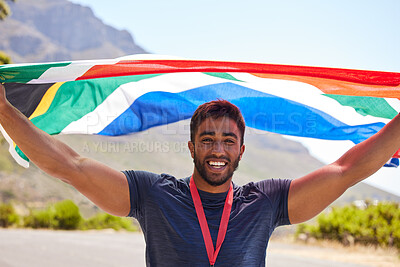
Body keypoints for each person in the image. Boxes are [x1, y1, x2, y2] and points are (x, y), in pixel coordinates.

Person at [0, 82, 399, 266]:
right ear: (191, 147)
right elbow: (72, 167)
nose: (218, 150)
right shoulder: (152, 195)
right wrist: (4, 110)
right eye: (207, 139)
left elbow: (347, 170)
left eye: (228, 141)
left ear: (241, 150)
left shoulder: (266, 202)